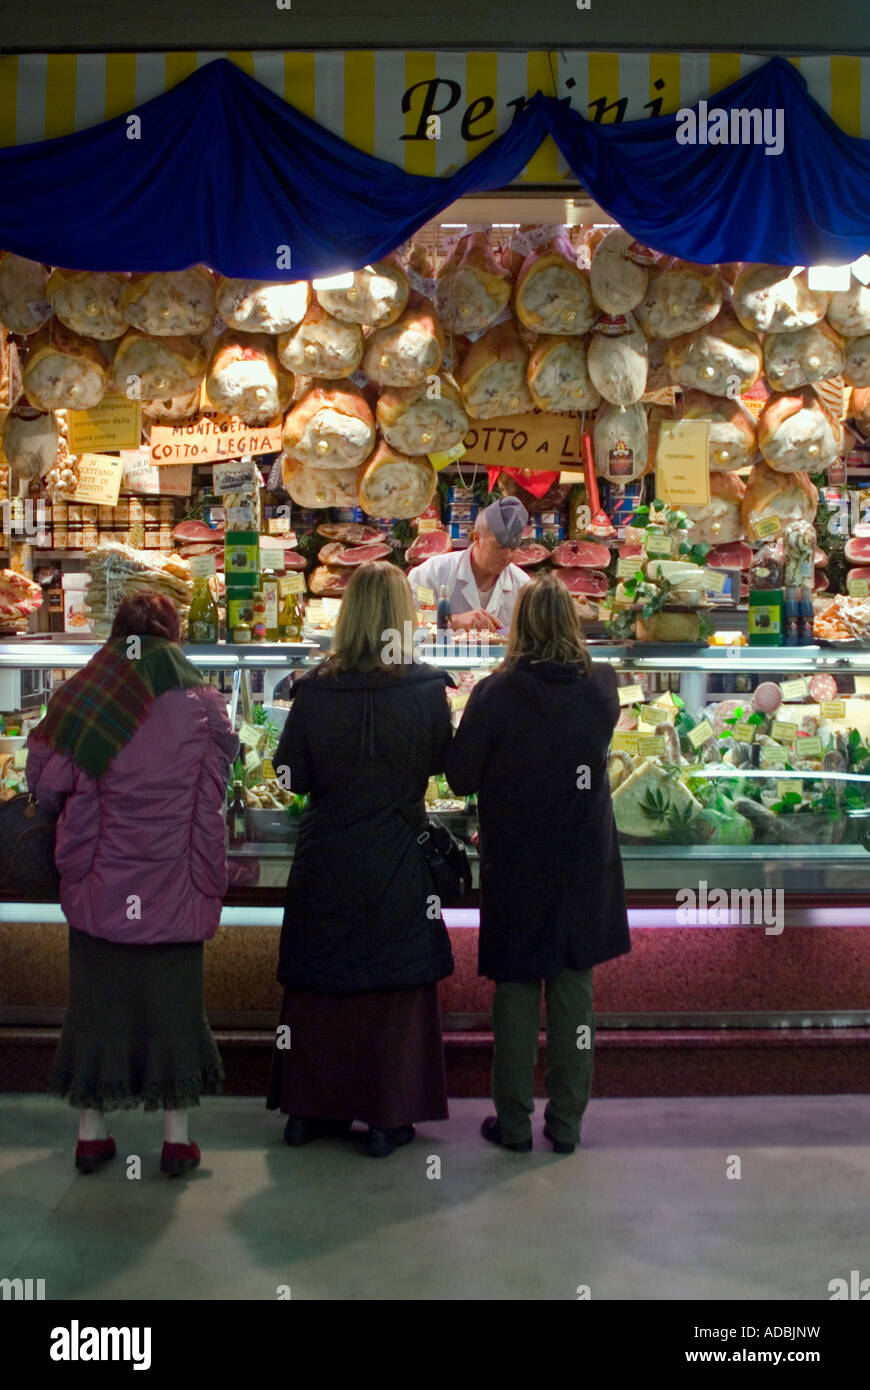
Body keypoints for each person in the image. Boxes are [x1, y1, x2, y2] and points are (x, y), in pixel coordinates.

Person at [26, 593, 240, 1177]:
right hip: (178, 885)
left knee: (97, 1007)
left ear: (117, 638)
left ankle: (91, 1133)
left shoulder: (85, 698)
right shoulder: (205, 705)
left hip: (102, 885)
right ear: (171, 639)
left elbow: (43, 786)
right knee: (176, 1007)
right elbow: (222, 784)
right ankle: (176, 1139)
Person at [267, 561, 455, 1158]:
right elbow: (443, 767)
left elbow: (291, 775)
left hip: (327, 856)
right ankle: (385, 1117)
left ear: (347, 618)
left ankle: (308, 1112)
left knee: (322, 987)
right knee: (392, 989)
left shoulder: (314, 688)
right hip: (399, 853)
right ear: (404, 619)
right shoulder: (428, 689)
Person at [444, 571, 630, 1154]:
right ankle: (568, 1125)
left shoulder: (496, 693)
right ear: (572, 623)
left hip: (518, 861)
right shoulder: (601, 685)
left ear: (519, 625)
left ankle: (516, 1124)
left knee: (517, 991)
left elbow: (458, 776)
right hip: (582, 858)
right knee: (575, 989)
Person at [406, 496, 530, 632]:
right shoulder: (431, 574)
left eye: (513, 548)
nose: (508, 556)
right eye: (500, 547)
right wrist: (453, 620)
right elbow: (409, 620)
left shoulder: (522, 586)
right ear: (477, 538)